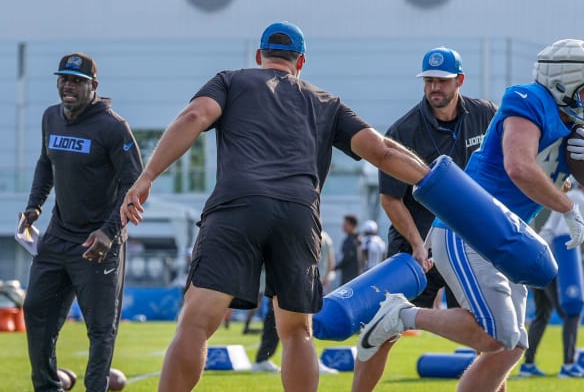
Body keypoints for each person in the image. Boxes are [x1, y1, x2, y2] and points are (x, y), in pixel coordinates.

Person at [119, 21, 432, 392]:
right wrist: (440, 185)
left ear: (258, 56)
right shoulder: (325, 102)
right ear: (301, 62)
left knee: (196, 322)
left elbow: (193, 117)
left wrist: (147, 176)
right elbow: (382, 150)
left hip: (237, 205)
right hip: (298, 213)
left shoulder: (230, 81)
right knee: (297, 332)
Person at [356, 39, 584, 392]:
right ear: (565, 81)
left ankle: (401, 316)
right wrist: (567, 206)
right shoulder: (528, 99)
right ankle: (400, 314)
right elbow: (518, 166)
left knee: (510, 347)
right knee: (496, 334)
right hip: (470, 227)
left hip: (509, 237)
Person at [351, 46, 496, 392]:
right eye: (429, 80)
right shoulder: (404, 130)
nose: (435, 88)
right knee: (381, 327)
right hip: (415, 246)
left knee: (487, 333)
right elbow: (390, 198)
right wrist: (417, 245)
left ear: (459, 80)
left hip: (466, 243)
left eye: (442, 81)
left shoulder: (486, 116)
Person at [20, 52, 143, 392]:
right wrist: (34, 206)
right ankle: (47, 387)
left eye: (77, 81)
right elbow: (46, 162)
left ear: (93, 86)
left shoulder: (113, 127)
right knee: (36, 311)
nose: (68, 86)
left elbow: (134, 186)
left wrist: (108, 230)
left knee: (101, 328)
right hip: (58, 236)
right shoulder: (50, 117)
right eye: (64, 79)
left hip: (97, 242)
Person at [520, 180, 584, 378]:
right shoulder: (579, 197)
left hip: (537, 257)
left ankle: (528, 365)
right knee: (572, 312)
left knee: (542, 314)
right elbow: (565, 235)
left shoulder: (571, 196)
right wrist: (569, 272)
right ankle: (569, 365)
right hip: (552, 260)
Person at [335, 214, 361, 285]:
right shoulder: (357, 238)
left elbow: (347, 258)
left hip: (350, 276)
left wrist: (335, 267)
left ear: (352, 225)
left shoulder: (351, 240)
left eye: (345, 224)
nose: (343, 226)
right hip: (355, 274)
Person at [319, 229, 337, 294]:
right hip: (325, 277)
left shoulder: (316, 236)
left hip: (318, 277)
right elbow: (331, 259)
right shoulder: (326, 237)